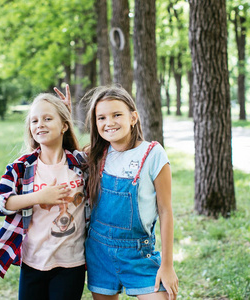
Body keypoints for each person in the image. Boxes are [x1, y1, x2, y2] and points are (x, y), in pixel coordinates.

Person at [0, 87, 89, 300]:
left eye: (48, 118)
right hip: (33, 263)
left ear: (65, 125)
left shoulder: (81, 164)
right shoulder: (22, 167)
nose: (40, 125)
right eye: (35, 121)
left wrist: (65, 114)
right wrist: (39, 197)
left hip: (71, 264)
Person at [83, 85, 179, 300]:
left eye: (117, 115)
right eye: (101, 118)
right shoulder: (95, 154)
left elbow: (165, 211)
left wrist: (167, 265)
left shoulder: (153, 154)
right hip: (99, 252)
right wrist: (63, 113)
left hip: (138, 254)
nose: (109, 122)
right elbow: (60, 153)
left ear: (133, 117)